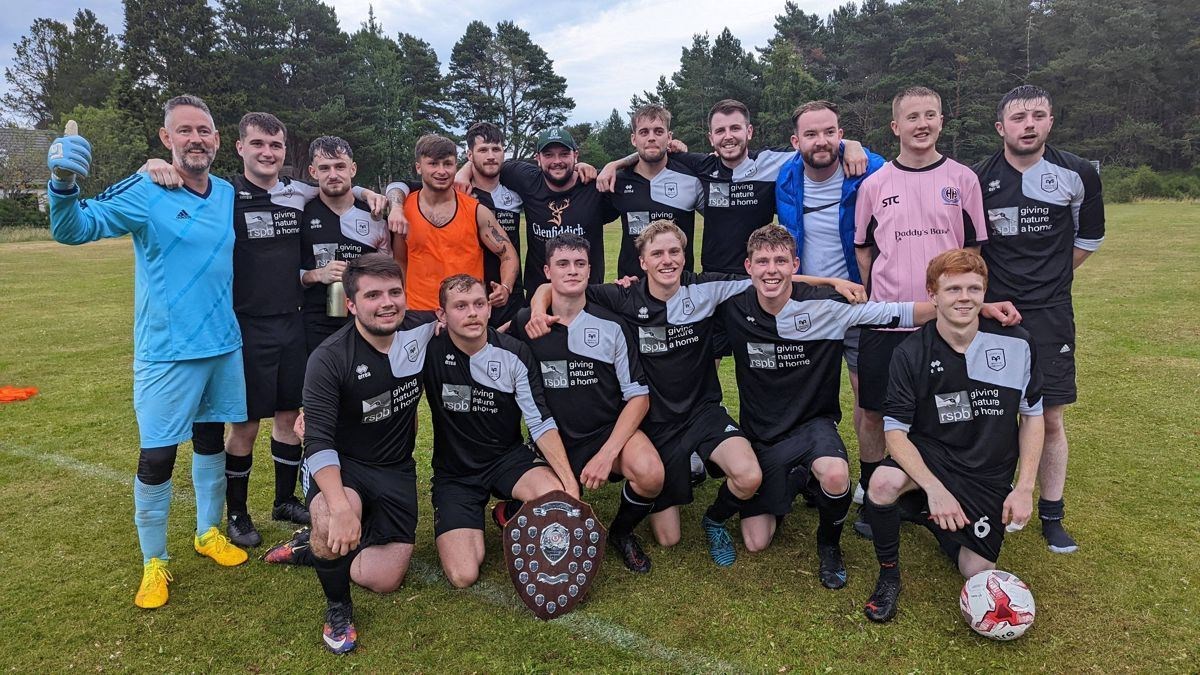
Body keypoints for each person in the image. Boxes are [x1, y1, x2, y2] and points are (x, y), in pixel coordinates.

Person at [526, 220, 864, 567]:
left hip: (704, 413)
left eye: (674, 251)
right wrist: (538, 310)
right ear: (642, 262)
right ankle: (635, 519)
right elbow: (555, 288)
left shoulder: (704, 288)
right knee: (668, 538)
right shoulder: (622, 296)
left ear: (685, 257)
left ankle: (714, 518)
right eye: (657, 253)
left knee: (748, 475)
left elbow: (768, 279)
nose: (667, 260)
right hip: (656, 423)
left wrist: (830, 281)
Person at [718, 225, 1019, 588]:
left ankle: (828, 544)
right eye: (762, 262)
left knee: (834, 474)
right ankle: (794, 479)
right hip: (762, 432)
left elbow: (898, 313)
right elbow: (674, 290)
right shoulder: (732, 302)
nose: (771, 270)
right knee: (755, 541)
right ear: (748, 266)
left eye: (781, 261)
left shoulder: (826, 308)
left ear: (794, 264)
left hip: (812, 426)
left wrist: (966, 305)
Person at [141, 114, 389, 547]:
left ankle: (283, 498)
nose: (267, 152)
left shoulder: (297, 191)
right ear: (238, 147)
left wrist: (383, 194)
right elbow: (182, 177)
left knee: (290, 416)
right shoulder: (223, 193)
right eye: (257, 144)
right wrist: (150, 164)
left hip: (292, 321)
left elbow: (342, 184)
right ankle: (237, 512)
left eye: (275, 145)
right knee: (246, 424)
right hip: (244, 326)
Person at [46, 95, 248, 609]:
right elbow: (71, 229)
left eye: (204, 130)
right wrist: (64, 183)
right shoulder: (147, 188)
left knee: (210, 442)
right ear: (166, 139)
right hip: (166, 349)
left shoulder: (225, 192)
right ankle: (154, 562)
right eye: (185, 131)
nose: (196, 139)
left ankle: (207, 533)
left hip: (223, 344)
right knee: (158, 457)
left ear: (217, 139)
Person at [863, 249, 1043, 623]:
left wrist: (1025, 487)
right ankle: (889, 575)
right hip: (934, 457)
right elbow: (894, 432)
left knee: (977, 569)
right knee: (881, 483)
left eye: (974, 288)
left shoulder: (1018, 343)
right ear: (933, 294)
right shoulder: (911, 351)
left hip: (987, 472)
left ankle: (931, 517)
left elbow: (1032, 417)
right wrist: (935, 487)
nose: (964, 297)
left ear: (985, 292)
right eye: (953, 289)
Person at [973, 85, 1105, 554]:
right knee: (989, 412)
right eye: (1018, 117)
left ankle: (1052, 514)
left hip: (1050, 316)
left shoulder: (1078, 173)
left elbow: (1087, 239)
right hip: (993, 313)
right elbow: (971, 249)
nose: (1028, 124)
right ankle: (987, 496)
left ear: (1050, 121)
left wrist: (1049, 281)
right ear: (1000, 127)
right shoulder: (979, 177)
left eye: (1038, 115)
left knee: (1049, 417)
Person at [852, 87, 988, 536]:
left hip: (945, 325)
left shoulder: (963, 179)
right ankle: (874, 491)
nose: (922, 124)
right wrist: (883, 298)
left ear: (942, 121)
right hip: (886, 320)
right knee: (873, 410)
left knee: (936, 412)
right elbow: (866, 252)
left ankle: (925, 492)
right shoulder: (873, 185)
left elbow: (972, 253)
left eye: (930, 115)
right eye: (912, 117)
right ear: (896, 127)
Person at [294, 253, 439, 654]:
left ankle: (314, 548)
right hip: (344, 466)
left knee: (384, 578)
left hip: (395, 468)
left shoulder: (424, 328)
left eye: (395, 292)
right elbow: (318, 440)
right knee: (331, 512)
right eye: (373, 295)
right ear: (352, 304)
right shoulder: (330, 357)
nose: (387, 302)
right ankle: (338, 606)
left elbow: (466, 317)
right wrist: (339, 507)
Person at [508, 234, 664, 573]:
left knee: (651, 474)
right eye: (563, 264)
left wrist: (607, 455)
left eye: (580, 264)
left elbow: (638, 397)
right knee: (555, 507)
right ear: (547, 270)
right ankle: (513, 507)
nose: (572, 271)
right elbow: (485, 342)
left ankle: (621, 533)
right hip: (550, 439)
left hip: (604, 432)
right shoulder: (528, 322)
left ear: (590, 270)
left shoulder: (612, 326)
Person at [425, 274, 579, 588]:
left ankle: (510, 509)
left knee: (557, 499)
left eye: (479, 304)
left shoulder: (514, 353)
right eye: (460, 306)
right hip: (456, 474)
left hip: (507, 460)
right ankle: (465, 516)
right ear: (442, 315)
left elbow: (540, 422)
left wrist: (570, 486)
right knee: (463, 575)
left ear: (489, 308)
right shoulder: (427, 352)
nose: (472, 313)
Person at [598, 99, 868, 276]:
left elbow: (816, 144)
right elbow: (652, 152)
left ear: (748, 132)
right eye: (720, 131)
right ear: (711, 137)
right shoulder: (701, 165)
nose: (728, 136)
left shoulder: (772, 163)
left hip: (759, 276)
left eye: (735, 128)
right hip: (712, 278)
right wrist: (614, 164)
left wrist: (851, 146)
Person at [775, 100, 888, 521]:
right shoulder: (785, 175)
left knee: (867, 397)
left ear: (841, 134)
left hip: (860, 300)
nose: (820, 141)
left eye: (830, 132)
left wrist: (856, 145)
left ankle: (871, 485)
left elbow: (906, 168)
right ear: (795, 141)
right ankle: (803, 472)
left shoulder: (869, 169)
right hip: (807, 300)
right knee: (802, 394)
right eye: (810, 134)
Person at [455, 126, 618, 295]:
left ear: (575, 155)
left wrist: (614, 164)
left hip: (586, 293)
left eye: (564, 154)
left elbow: (641, 165)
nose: (557, 161)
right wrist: (462, 173)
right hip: (537, 296)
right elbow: (489, 163)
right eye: (548, 155)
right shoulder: (526, 178)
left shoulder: (596, 185)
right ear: (537, 158)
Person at [393, 133, 517, 314]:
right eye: (433, 164)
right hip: (417, 312)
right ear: (419, 167)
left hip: (466, 314)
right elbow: (400, 261)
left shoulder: (476, 211)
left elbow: (508, 254)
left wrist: (505, 287)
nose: (441, 171)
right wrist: (401, 299)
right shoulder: (404, 210)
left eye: (448, 164)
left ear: (456, 166)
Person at [300, 137, 391, 352]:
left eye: (340, 166)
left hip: (366, 320)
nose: (333, 175)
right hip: (315, 323)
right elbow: (284, 270)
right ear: (313, 172)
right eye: (325, 168)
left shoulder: (375, 214)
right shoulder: (301, 212)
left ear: (353, 169)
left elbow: (388, 268)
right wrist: (316, 275)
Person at [606, 104, 703, 278]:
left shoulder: (690, 178)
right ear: (633, 139)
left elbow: (722, 219)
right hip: (632, 288)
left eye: (658, 131)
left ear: (669, 137)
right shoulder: (617, 181)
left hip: (679, 288)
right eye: (644, 132)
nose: (651, 138)